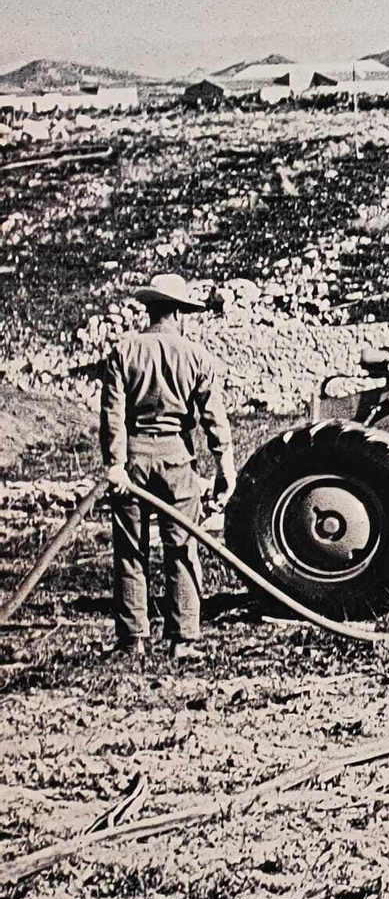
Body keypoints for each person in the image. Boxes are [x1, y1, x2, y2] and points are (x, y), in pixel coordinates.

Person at [100, 274, 235, 658]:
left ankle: (131, 641)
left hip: (132, 463)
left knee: (130, 550)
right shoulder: (197, 357)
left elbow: (112, 416)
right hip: (178, 461)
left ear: (151, 310)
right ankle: (183, 640)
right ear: (178, 313)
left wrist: (115, 465)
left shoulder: (123, 352)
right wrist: (225, 467)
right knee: (182, 548)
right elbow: (214, 420)